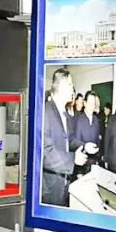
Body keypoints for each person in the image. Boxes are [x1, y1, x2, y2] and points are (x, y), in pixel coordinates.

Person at [41, 69, 88, 207]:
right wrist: (73, 159)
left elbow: (69, 140)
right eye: (70, 84)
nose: (73, 89)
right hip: (51, 187)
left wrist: (85, 146)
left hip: (64, 182)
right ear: (61, 86)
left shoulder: (64, 114)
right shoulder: (45, 111)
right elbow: (44, 153)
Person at [72, 91, 103, 175]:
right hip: (82, 164)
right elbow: (76, 145)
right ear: (85, 103)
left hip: (94, 164)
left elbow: (97, 142)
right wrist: (78, 172)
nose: (92, 106)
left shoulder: (96, 120)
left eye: (94, 103)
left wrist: (97, 161)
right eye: (90, 103)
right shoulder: (78, 120)